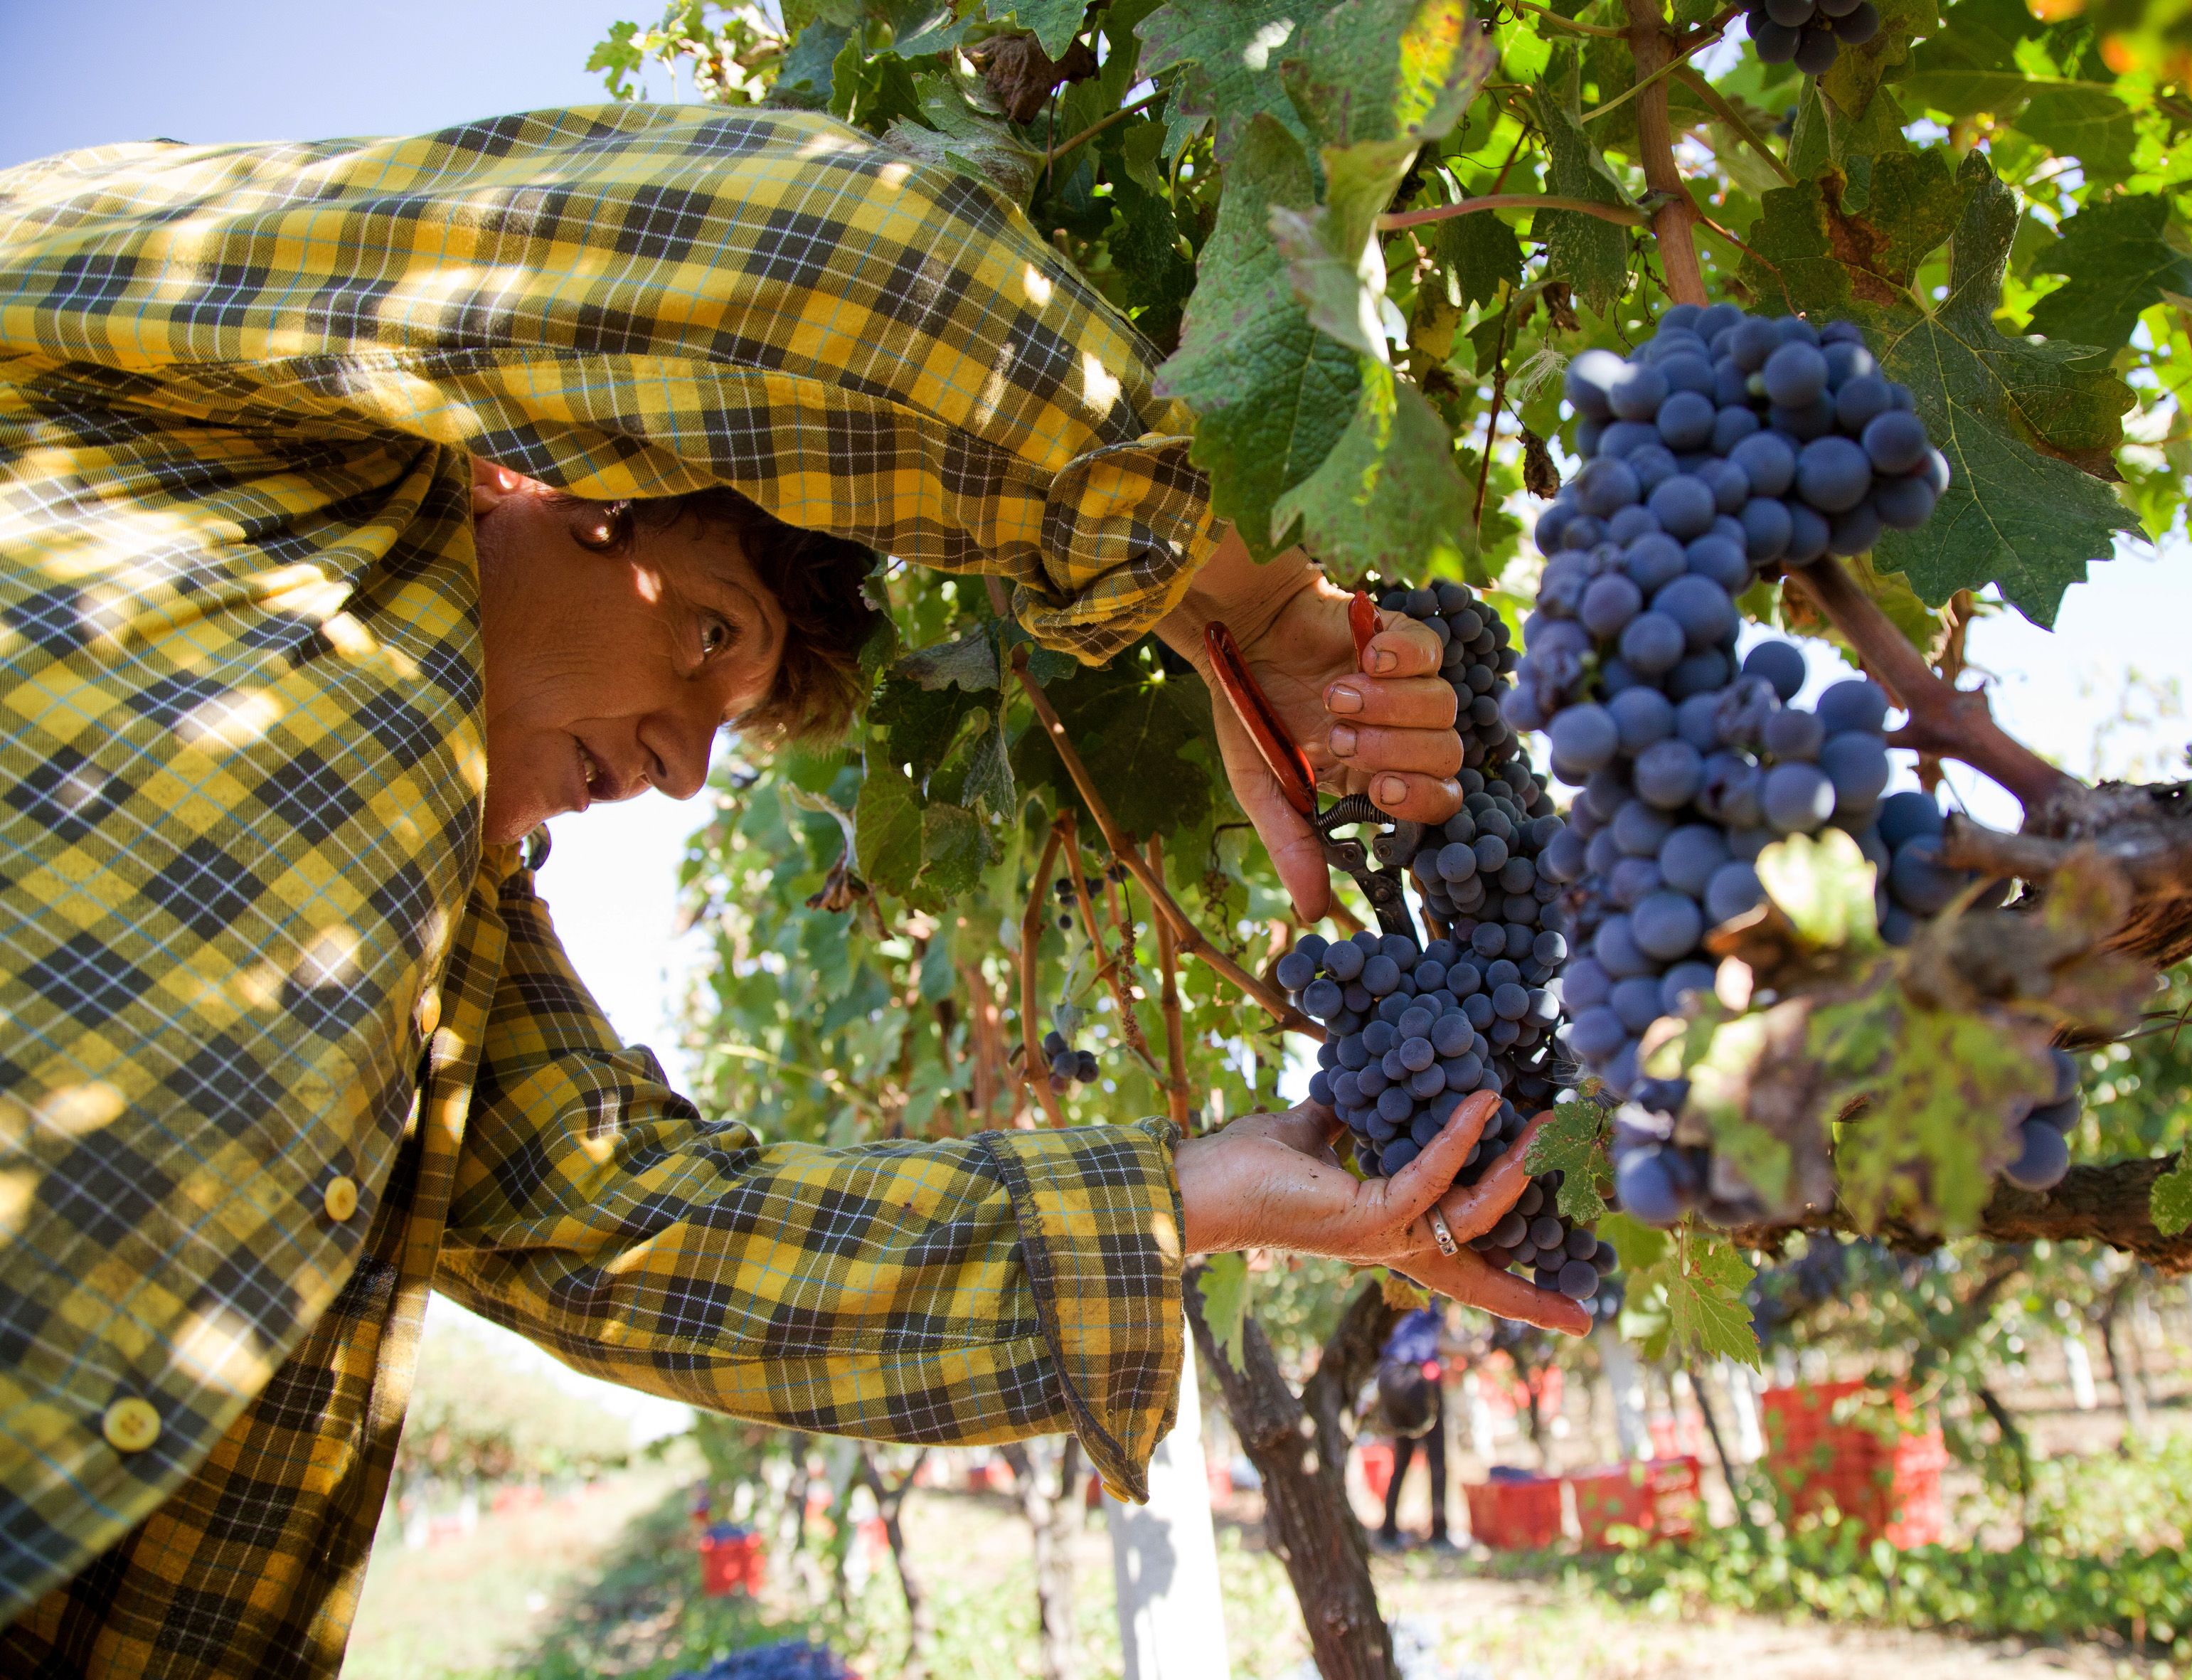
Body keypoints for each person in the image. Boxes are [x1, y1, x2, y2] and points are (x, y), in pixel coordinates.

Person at [0, 102, 1589, 1675]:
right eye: (706, 634)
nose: (680, 770)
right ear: (531, 474)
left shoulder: (434, 950)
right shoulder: (209, 390)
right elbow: (831, 263)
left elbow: (629, 1230)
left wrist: (1198, 1196)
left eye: (725, 722)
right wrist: (1244, 603)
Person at [1372, 1304, 1467, 1554]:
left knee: (1402, 1458)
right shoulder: (1432, 1303)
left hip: (1388, 1377)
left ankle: (1388, 1534)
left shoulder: (1399, 1301)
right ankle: (1439, 1536)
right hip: (1416, 1379)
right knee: (1437, 1460)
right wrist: (1474, 1348)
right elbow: (1442, 1342)